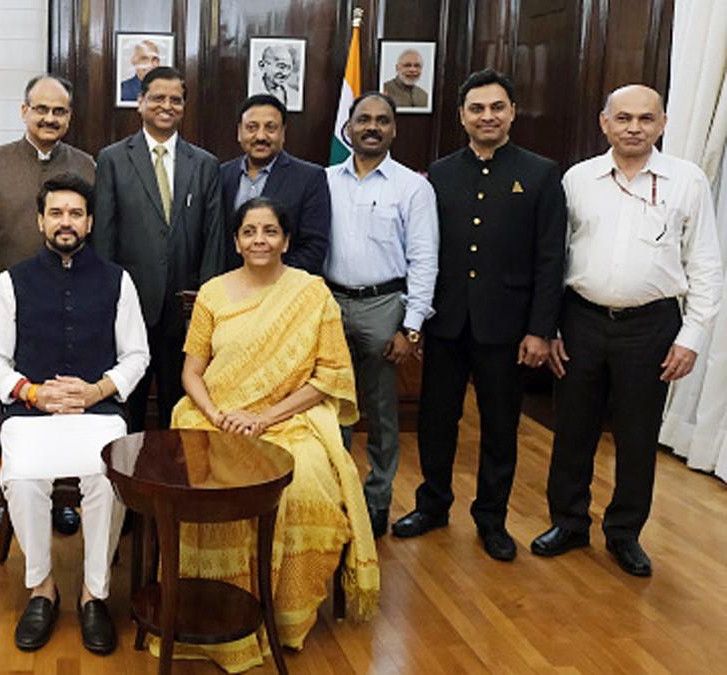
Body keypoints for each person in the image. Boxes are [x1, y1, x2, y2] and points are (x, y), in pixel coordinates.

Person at [167, 196, 378, 671]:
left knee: (303, 485)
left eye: (269, 231)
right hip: (213, 416)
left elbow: (328, 376)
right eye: (250, 232)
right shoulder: (213, 293)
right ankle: (210, 608)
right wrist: (219, 413)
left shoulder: (311, 293)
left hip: (289, 420)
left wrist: (265, 418)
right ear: (236, 240)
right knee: (204, 484)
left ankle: (283, 616)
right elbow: (192, 372)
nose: (259, 240)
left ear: (285, 239)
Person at [531, 85, 722, 576]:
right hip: (581, 321)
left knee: (638, 437)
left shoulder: (687, 181)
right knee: (572, 430)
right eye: (624, 118)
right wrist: (549, 326)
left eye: (645, 118)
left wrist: (692, 337)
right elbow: (554, 259)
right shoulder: (578, 179)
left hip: (652, 327)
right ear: (604, 122)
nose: (634, 127)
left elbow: (705, 265)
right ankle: (569, 523)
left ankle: (624, 533)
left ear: (662, 124)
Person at [392, 69, 566, 562]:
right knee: (436, 420)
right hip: (446, 324)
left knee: (499, 426)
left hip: (508, 329)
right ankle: (433, 504)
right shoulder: (441, 173)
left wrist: (540, 329)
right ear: (462, 116)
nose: (486, 116)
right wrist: (418, 319)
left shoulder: (540, 173)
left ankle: (491, 519)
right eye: (476, 109)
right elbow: (423, 252)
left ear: (512, 112)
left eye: (496, 107)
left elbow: (551, 258)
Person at [0, 173, 148, 655]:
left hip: (99, 412)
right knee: (26, 478)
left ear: (90, 221)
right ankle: (43, 587)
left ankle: (94, 592)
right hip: (31, 413)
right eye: (56, 213)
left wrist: (97, 390)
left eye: (75, 213)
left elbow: (137, 355)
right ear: (40, 221)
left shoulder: (118, 280)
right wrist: (31, 392)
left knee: (107, 478)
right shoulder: (12, 282)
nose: (66, 222)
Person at [0, 74, 96, 537]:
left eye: (59, 111)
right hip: (6, 308)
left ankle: (65, 495)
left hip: (70, 306)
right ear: (24, 111)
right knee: (17, 404)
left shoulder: (87, 165)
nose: (50, 118)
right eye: (41, 109)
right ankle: (21, 488)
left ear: (69, 116)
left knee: (67, 401)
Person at [325, 92, 439, 537]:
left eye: (382, 121)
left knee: (381, 412)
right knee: (333, 406)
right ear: (348, 128)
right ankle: (337, 496)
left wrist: (410, 328)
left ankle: (376, 500)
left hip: (383, 307)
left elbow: (425, 260)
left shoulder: (413, 187)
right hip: (330, 304)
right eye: (363, 119)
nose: (372, 127)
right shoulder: (325, 180)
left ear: (394, 129)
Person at [93, 66, 223, 432]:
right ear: (140, 102)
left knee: (179, 404)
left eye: (175, 100)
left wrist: (207, 304)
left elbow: (213, 239)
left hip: (187, 310)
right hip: (130, 306)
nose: (167, 106)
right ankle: (124, 481)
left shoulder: (205, 164)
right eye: (158, 98)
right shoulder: (113, 159)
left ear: (183, 106)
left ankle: (174, 483)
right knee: (126, 402)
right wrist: (108, 301)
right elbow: (103, 236)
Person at [220, 94, 328, 272]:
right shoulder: (222, 175)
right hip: (230, 290)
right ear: (239, 132)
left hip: (284, 291)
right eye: (252, 127)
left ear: (283, 132)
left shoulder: (310, 178)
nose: (261, 136)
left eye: (270, 128)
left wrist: (270, 280)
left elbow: (313, 248)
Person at [119, 39, 160, 104]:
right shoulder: (123, 89)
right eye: (144, 59)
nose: (150, 65)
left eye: (154, 59)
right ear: (133, 61)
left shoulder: (165, 90)